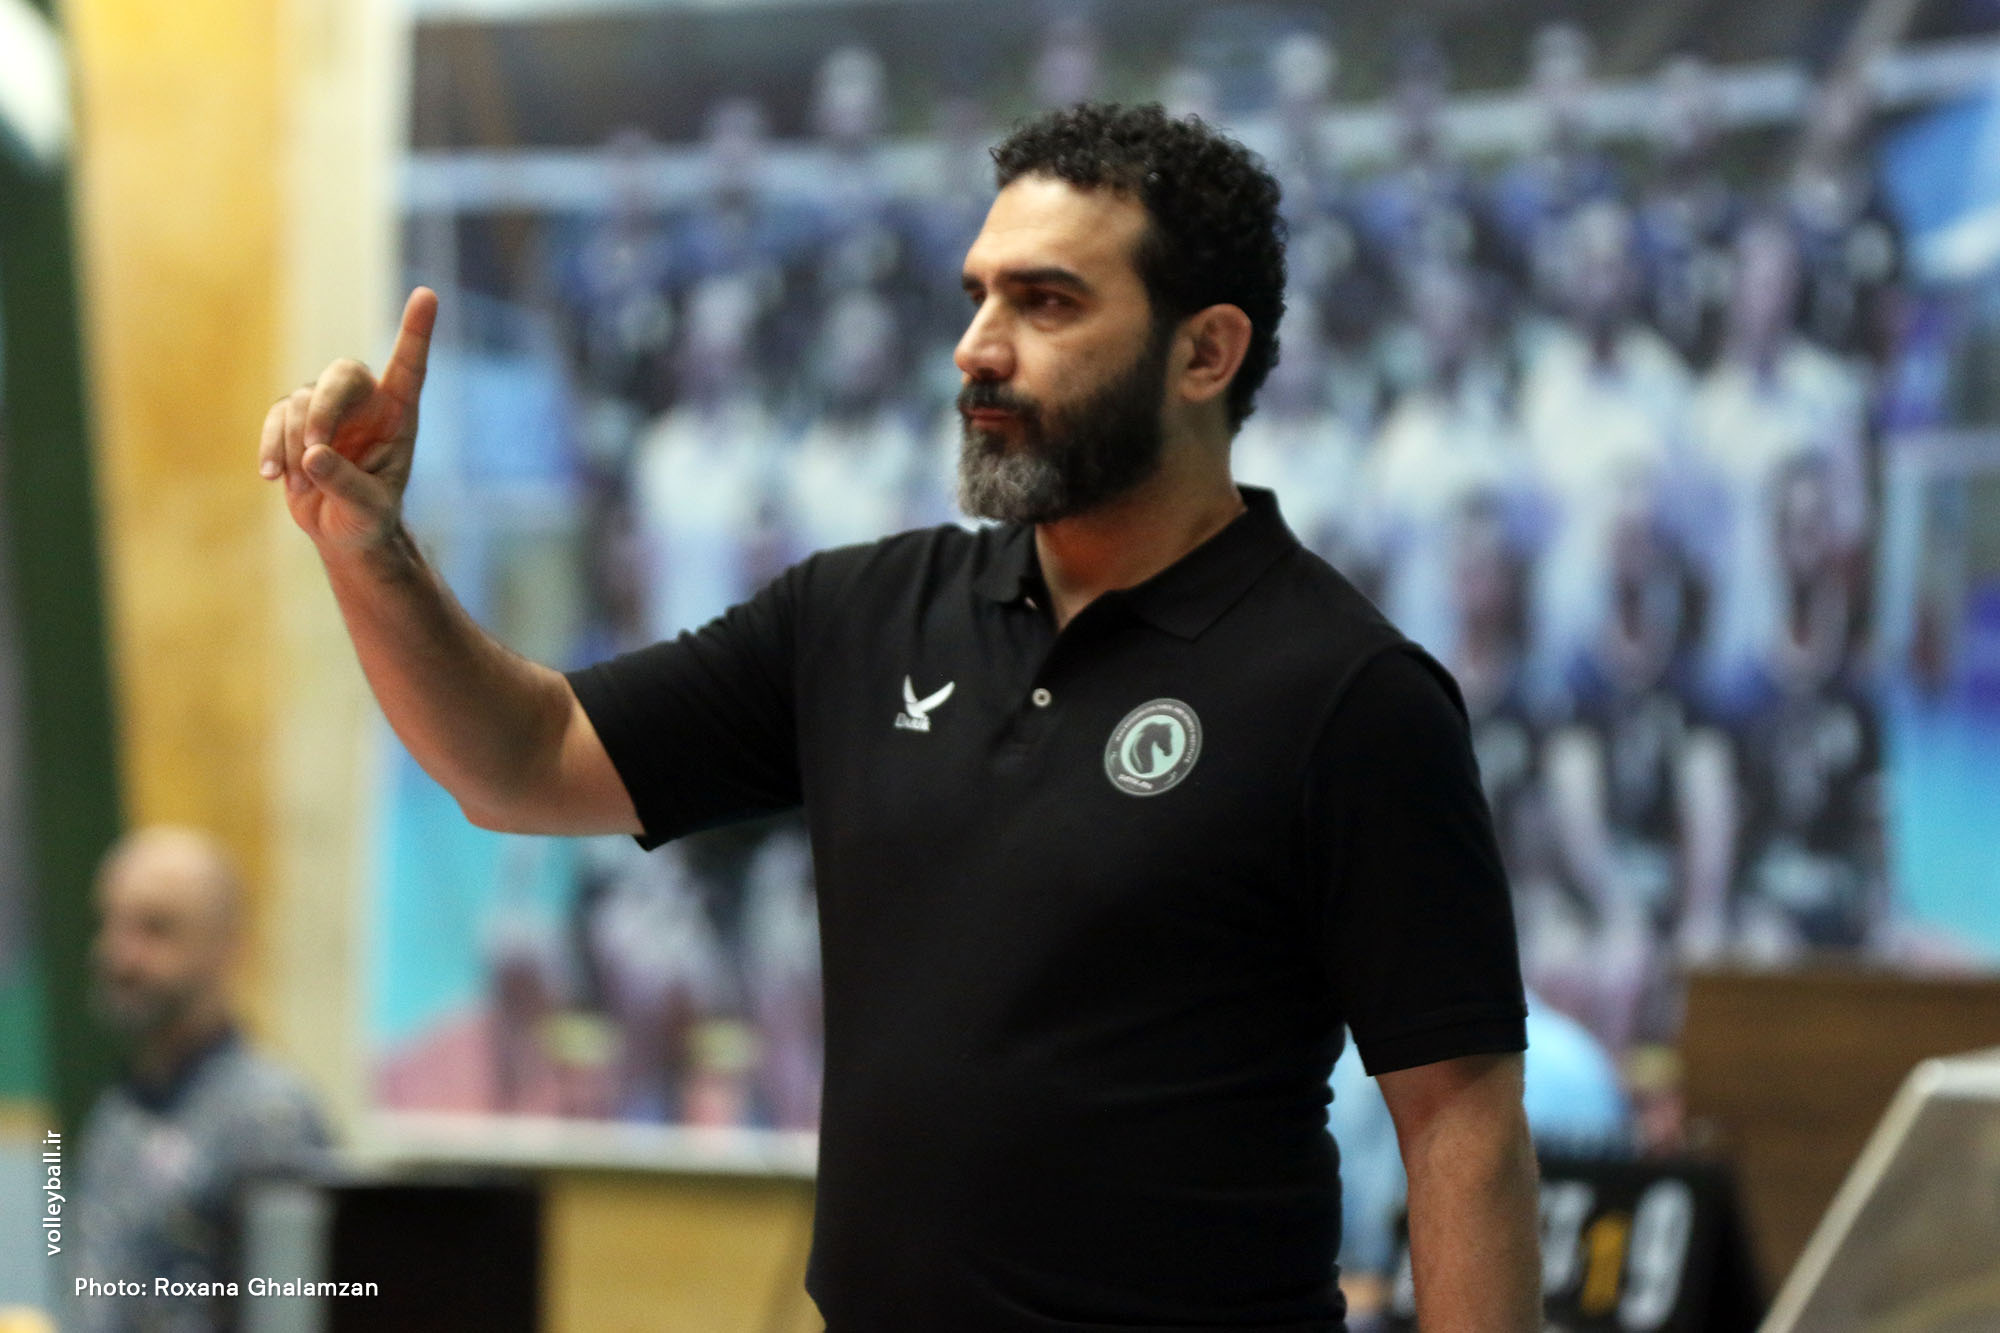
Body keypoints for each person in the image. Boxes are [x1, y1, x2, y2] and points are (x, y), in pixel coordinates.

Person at [259, 102, 1539, 1332]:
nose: (976, 345)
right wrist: (371, 549)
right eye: (976, 294)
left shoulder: (1348, 693)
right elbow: (523, 759)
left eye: (1044, 302)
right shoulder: (861, 614)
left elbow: (1459, 1122)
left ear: (1204, 352)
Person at [70, 828, 329, 1333]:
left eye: (156, 929)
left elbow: (296, 1310)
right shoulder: (120, 1110)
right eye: (111, 924)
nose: (121, 957)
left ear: (228, 947)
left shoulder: (267, 1120)